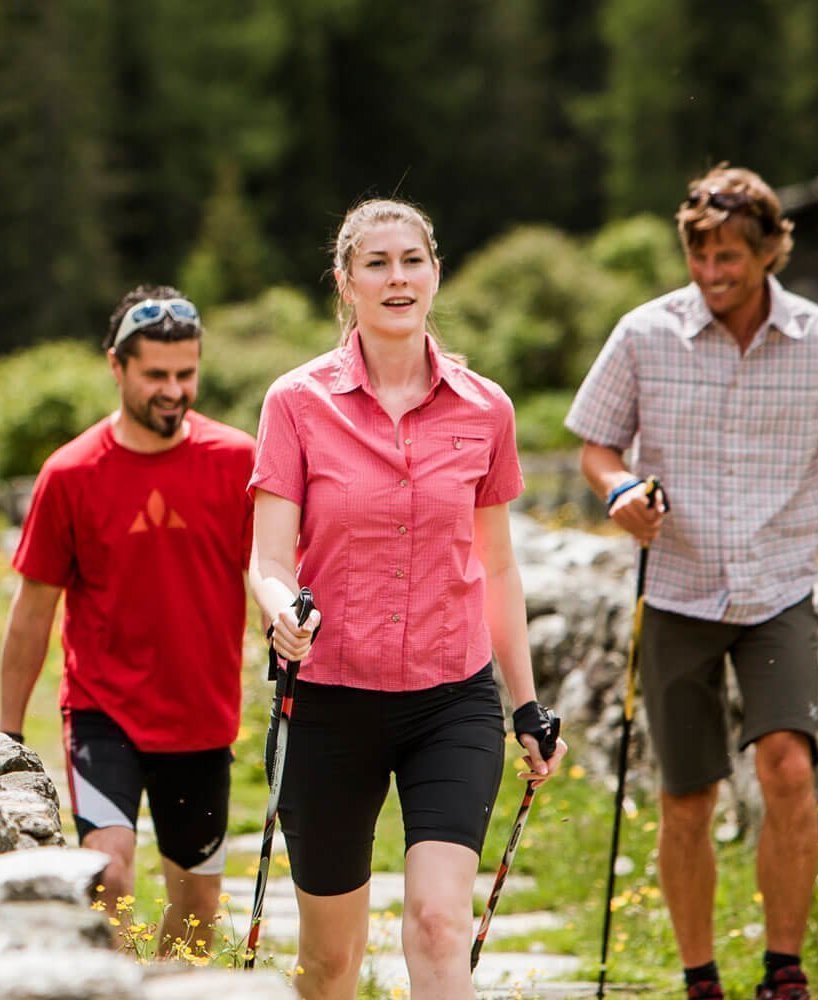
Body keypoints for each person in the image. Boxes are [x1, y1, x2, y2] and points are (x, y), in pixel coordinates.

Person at [564, 164, 818, 1000]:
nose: (714, 273)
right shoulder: (643, 333)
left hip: (778, 588)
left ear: (771, 250)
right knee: (688, 797)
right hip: (676, 588)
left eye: (731, 257)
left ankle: (783, 972)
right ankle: (699, 977)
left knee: (789, 769)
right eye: (701, 256)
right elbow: (595, 446)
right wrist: (621, 490)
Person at [248, 198, 568, 1000]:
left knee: (436, 923)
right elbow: (267, 560)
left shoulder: (485, 408)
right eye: (377, 264)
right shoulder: (295, 402)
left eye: (412, 261)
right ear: (345, 282)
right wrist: (281, 610)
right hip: (327, 700)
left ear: (434, 272)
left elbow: (496, 567)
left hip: (450, 700)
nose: (398, 279)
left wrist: (526, 706)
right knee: (330, 962)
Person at [0, 284, 256, 955]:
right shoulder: (71, 473)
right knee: (108, 874)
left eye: (186, 374)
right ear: (116, 367)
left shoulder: (239, 462)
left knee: (196, 914)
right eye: (156, 376)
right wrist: (7, 731)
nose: (173, 390)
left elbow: (274, 575)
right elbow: (32, 611)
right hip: (103, 710)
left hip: (202, 716)